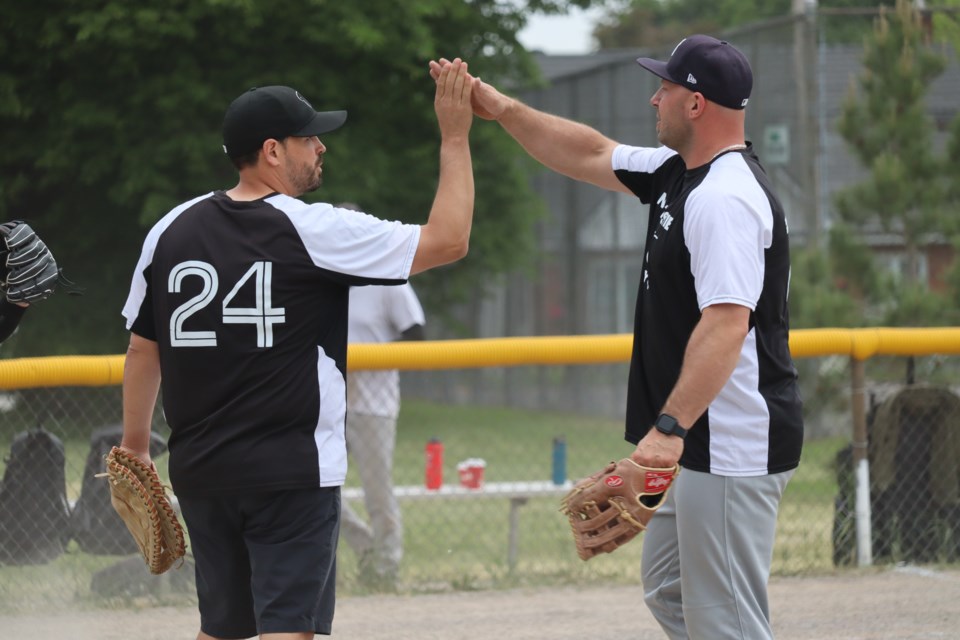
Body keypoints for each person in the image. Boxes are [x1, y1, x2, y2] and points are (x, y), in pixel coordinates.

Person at [431, 35, 802, 639]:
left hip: (729, 440)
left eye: (666, 87)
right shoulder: (678, 174)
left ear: (696, 105)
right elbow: (588, 153)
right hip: (694, 443)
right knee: (670, 591)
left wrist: (668, 431)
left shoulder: (724, 197)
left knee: (726, 620)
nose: (655, 98)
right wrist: (502, 109)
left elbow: (728, 324)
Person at [120, 59, 475, 640]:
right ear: (272, 151)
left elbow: (142, 351)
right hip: (291, 473)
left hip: (202, 471)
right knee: (288, 628)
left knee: (222, 630)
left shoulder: (169, 230)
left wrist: (135, 448)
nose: (320, 148)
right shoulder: (312, 229)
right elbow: (449, 239)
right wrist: (455, 134)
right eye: (308, 137)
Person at [338, 243, 425, 590]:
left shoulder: (388, 280)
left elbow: (417, 337)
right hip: (326, 400)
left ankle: (386, 571)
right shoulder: (322, 281)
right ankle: (366, 548)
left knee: (378, 493)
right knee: (313, 487)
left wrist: (368, 358)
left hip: (373, 402)